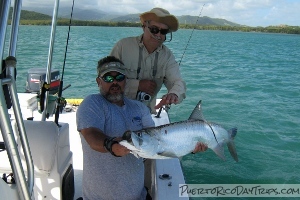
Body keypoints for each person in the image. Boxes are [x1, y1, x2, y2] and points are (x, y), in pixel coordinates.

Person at [76, 56, 155, 200]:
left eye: (119, 77)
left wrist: (189, 145)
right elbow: (91, 135)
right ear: (98, 81)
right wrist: (111, 145)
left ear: (125, 81)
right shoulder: (92, 103)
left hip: (139, 196)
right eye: (108, 78)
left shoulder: (139, 108)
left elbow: (156, 140)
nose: (114, 82)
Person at [110, 7, 186, 113]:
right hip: (115, 110)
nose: (158, 35)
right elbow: (107, 81)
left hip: (145, 113)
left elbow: (177, 82)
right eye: (154, 29)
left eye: (163, 31)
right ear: (144, 27)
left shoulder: (167, 56)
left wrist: (174, 94)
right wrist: (138, 85)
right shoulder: (122, 46)